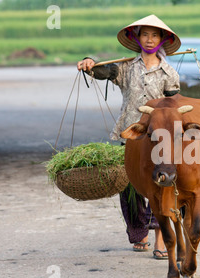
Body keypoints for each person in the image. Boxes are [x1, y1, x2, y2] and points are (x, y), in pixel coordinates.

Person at [77, 15, 181, 259]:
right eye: (144, 34)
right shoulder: (125, 68)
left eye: (155, 35)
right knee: (131, 185)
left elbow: (173, 107)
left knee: (162, 182)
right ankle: (138, 232)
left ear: (162, 39)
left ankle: (160, 238)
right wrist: (89, 63)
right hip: (131, 133)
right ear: (136, 37)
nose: (149, 39)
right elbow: (103, 71)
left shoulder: (169, 73)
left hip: (158, 137)